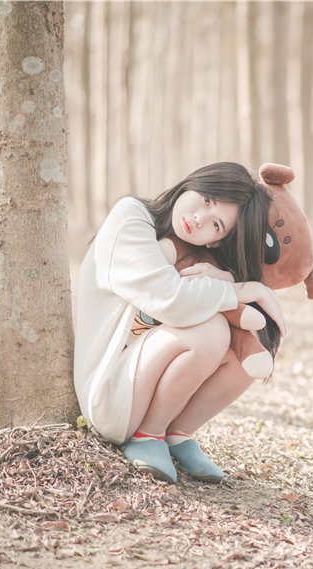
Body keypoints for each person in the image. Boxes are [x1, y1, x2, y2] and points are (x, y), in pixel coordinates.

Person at [74, 162, 287, 484]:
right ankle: (149, 434)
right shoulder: (131, 217)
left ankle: (178, 433)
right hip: (108, 395)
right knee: (211, 332)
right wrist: (243, 289)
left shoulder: (198, 257)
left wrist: (225, 278)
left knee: (248, 345)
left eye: (215, 225)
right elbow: (168, 298)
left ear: (216, 242)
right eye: (206, 199)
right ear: (192, 183)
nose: (199, 218)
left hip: (140, 385)